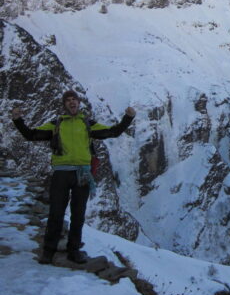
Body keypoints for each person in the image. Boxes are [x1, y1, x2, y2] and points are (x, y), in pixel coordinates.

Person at [11, 90, 136, 264]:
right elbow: (31, 135)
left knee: (78, 214)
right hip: (62, 172)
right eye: (68, 100)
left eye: (74, 99)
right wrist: (18, 120)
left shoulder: (87, 124)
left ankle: (74, 250)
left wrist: (128, 118)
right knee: (56, 212)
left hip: (81, 174)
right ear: (65, 104)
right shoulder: (56, 124)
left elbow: (112, 132)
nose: (72, 102)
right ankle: (49, 251)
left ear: (78, 103)